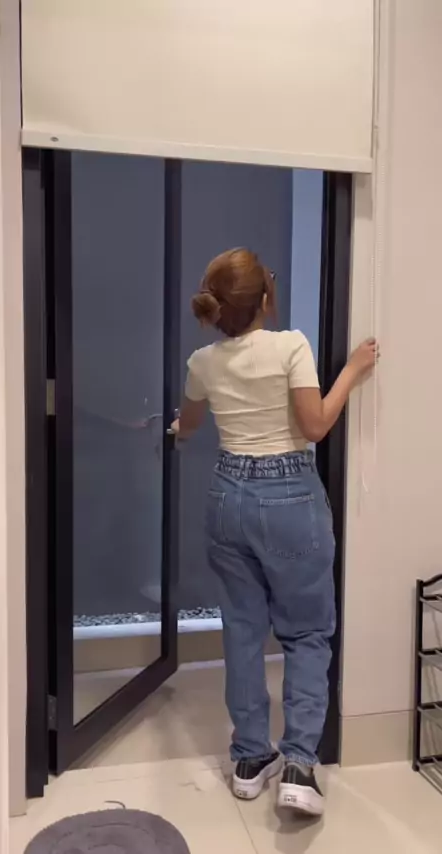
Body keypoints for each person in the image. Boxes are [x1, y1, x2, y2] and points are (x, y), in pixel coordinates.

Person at [171, 248, 378, 817]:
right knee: (307, 631)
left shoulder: (202, 362)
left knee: (242, 631)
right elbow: (314, 426)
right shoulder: (290, 346)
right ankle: (299, 767)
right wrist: (354, 370)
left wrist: (177, 429)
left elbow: (189, 426)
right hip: (288, 496)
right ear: (265, 298)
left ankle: (248, 759)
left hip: (227, 497)